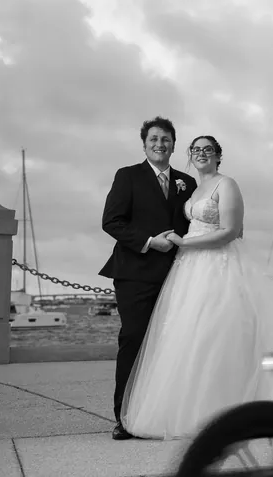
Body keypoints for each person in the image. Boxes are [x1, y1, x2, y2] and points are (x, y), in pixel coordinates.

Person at [119, 135, 273, 440]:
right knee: (188, 337)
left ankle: (229, 410)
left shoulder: (227, 184)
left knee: (218, 334)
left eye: (208, 149)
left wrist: (182, 241)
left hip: (219, 266)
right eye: (196, 149)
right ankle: (193, 409)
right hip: (189, 270)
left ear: (218, 156)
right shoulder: (192, 187)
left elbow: (229, 232)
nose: (202, 153)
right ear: (189, 154)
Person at [100, 117, 197, 441]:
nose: (160, 144)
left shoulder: (187, 182)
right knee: (134, 339)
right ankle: (124, 417)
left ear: (173, 144)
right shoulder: (127, 176)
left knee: (171, 345)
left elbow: (193, 225)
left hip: (176, 275)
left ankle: (164, 413)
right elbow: (112, 221)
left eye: (166, 139)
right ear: (144, 144)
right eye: (154, 139)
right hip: (135, 273)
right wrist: (149, 241)